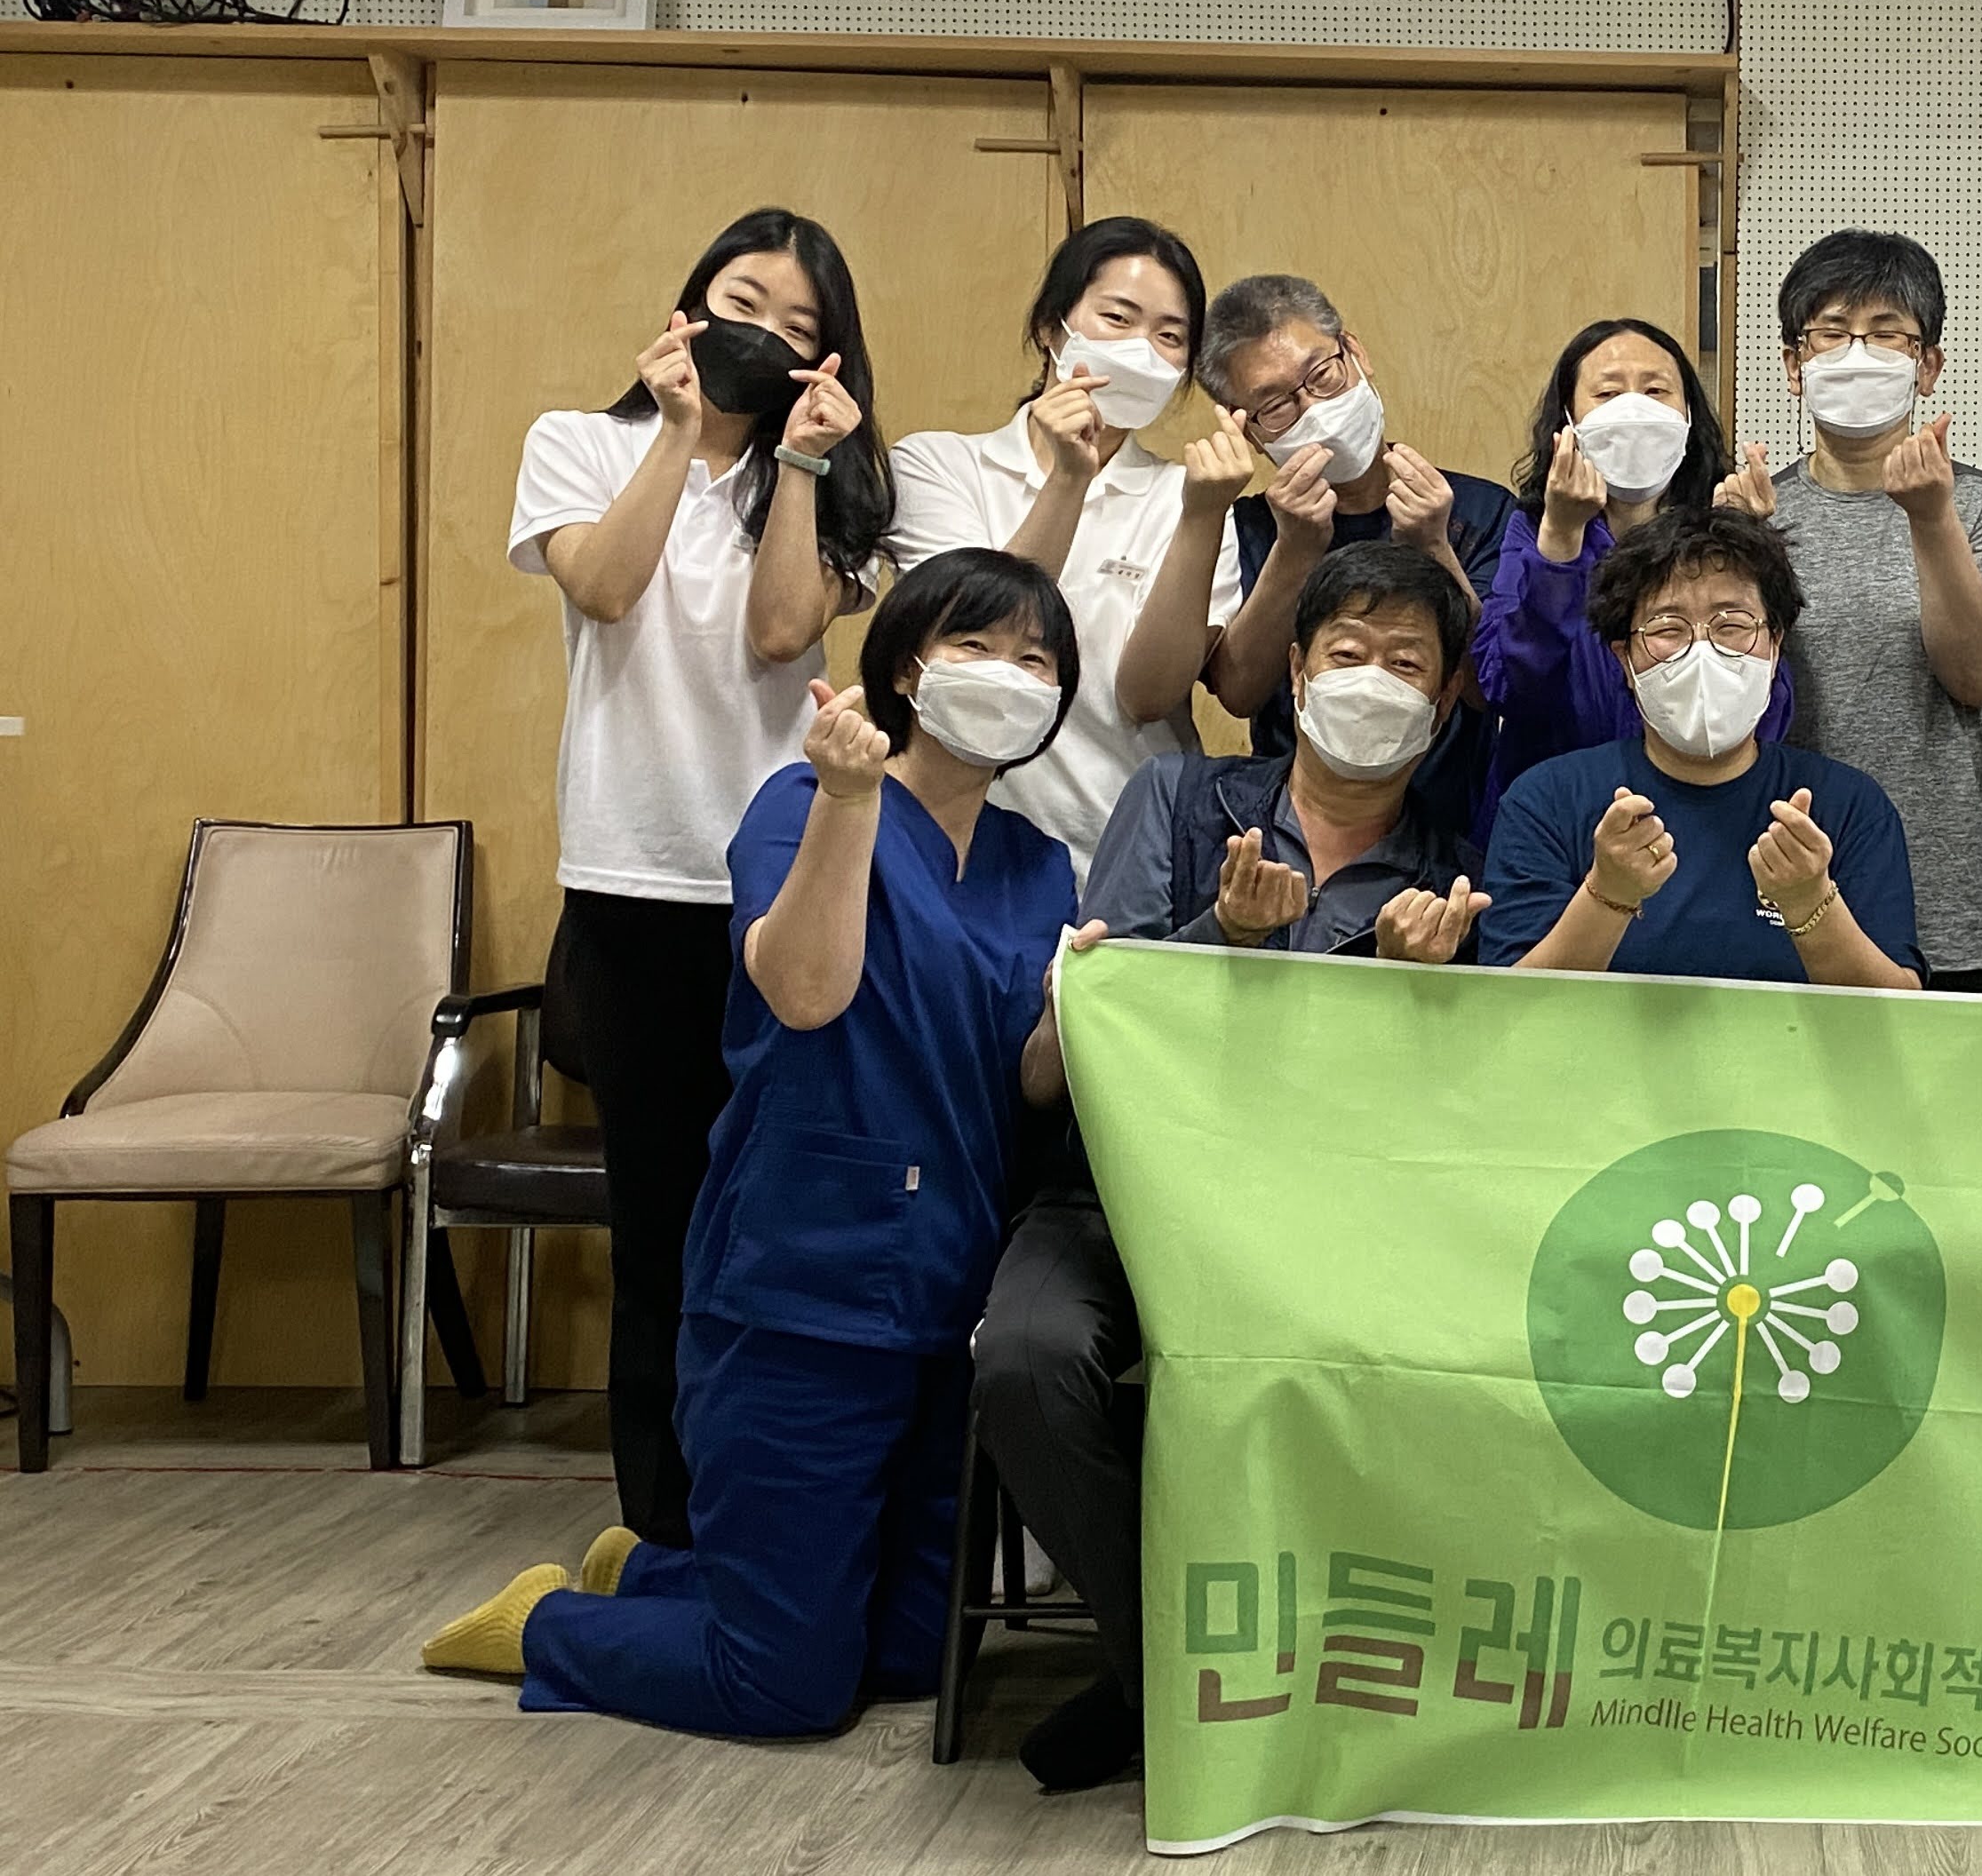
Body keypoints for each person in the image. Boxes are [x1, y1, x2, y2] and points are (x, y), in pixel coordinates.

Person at [420, 549, 1090, 1740]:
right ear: (906, 667)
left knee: (912, 1655)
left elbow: (1026, 1079)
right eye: (976, 646)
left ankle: (655, 1575)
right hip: (803, 1288)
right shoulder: (801, 804)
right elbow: (804, 992)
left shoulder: (1038, 868)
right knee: (785, 1687)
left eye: (1036, 660)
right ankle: (544, 1624)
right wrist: (847, 802)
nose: (1007, 676)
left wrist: (1075, 1008)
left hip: (946, 1289)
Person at [975, 539, 1489, 1791]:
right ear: (1295, 675)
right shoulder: (1178, 801)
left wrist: (1417, 991)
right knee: (1025, 1360)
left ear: (1446, 703)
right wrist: (1229, 936)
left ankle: (1217, 1682)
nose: (1373, 681)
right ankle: (1175, 1673)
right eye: (1348, 653)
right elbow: (1105, 1016)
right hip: (1118, 1196)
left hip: (1324, 1219)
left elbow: (1446, 1108)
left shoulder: (1454, 867)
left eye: (1407, 664)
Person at [508, 207, 893, 1551]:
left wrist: (799, 466)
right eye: (742, 303)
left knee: (784, 1213)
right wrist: (679, 431)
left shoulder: (840, 489)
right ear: (687, 307)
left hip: (786, 889)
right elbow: (607, 590)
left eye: (799, 326)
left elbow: (782, 633)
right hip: (633, 882)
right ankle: (665, 1529)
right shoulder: (580, 441)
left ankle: (782, 1501)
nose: (763, 336)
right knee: (662, 1222)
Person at [887, 216, 1250, 875]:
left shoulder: (1190, 494)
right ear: (1052, 328)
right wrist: (1068, 480)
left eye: (1170, 337)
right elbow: (978, 628)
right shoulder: (938, 465)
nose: (1142, 350)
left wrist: (1202, 517)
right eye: (1118, 318)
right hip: (955, 841)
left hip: (1129, 850)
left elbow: (1149, 698)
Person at [1743, 230, 1982, 991]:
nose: (1857, 355)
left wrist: (1931, 518)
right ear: (1794, 366)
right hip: (1784, 869)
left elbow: (1977, 677)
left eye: (1885, 334)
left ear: (1927, 366)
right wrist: (1737, 544)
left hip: (1949, 887)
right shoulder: (1757, 509)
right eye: (1832, 333)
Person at [1483, 505, 1920, 989]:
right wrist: (1608, 895)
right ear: (1624, 659)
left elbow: (1899, 1007)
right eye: (1668, 629)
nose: (1703, 650)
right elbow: (1509, 1004)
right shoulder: (1547, 801)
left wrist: (1811, 905)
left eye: (1731, 625)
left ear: (1775, 645)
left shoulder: (1847, 806)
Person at [1196, 273, 1511, 830]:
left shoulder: (1480, 511)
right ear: (1251, 433)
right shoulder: (1245, 526)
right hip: (1292, 830)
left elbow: (1489, 688)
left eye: (1322, 375)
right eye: (1276, 406)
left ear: (1356, 354)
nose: (1314, 408)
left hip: (1451, 826)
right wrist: (1294, 549)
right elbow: (1239, 694)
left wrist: (1433, 546)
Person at [1476, 316, 1790, 819]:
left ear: (1688, 414)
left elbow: (1770, 710)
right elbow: (1511, 690)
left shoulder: (1723, 524)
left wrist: (1744, 545)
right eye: (1607, 394)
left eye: (1656, 390)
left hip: (1700, 815)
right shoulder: (1534, 529)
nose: (1634, 409)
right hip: (1559, 816)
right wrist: (1559, 542)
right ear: (1569, 420)